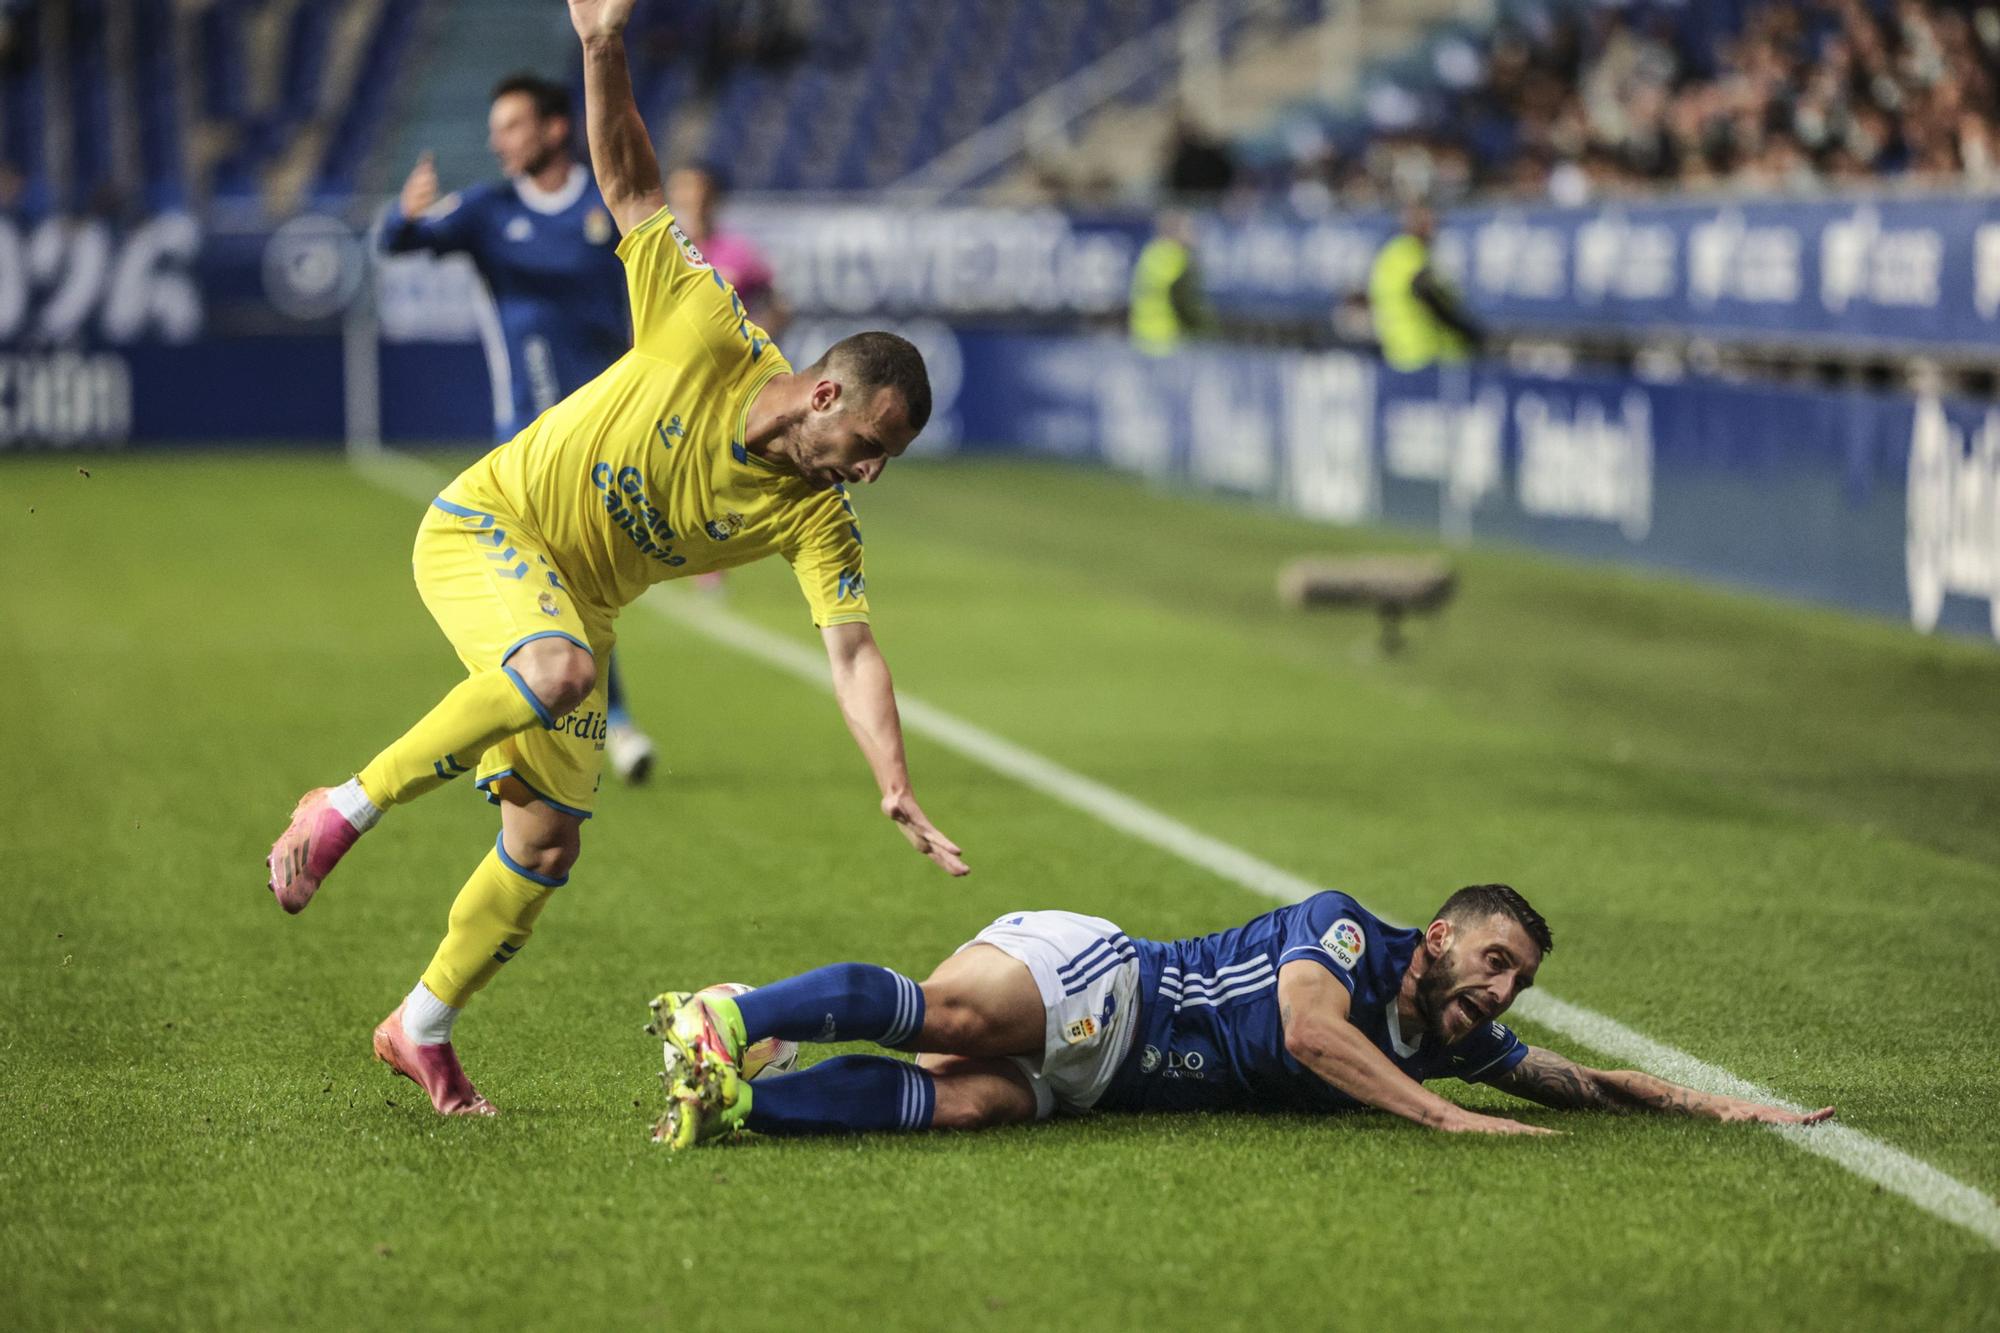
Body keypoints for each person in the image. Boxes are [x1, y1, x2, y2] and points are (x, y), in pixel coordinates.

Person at [268, 0, 968, 1118]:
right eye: (870, 447)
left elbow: (851, 653)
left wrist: (892, 779)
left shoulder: (814, 517)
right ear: (827, 394)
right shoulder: (703, 323)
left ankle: (420, 1026)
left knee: (543, 845)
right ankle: (346, 804)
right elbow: (635, 186)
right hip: (488, 525)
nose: (868, 473)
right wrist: (601, 46)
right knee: (558, 671)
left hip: (574, 602)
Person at [647, 884, 1833, 1147]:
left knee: (965, 1099)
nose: (1501, 990)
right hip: (1103, 980)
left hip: (1100, 1081)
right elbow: (1313, 1032)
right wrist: (1444, 1120)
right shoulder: (1346, 935)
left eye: (1516, 979)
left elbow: (1582, 1081)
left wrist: (1728, 1105)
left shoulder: (1461, 1034)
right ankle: (727, 1008)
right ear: (1436, 938)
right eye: (1491, 960)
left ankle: (741, 1091)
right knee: (953, 1011)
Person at [379, 71, 663, 785]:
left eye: (510, 125)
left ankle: (572, 727)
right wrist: (401, 216)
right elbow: (399, 243)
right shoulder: (486, 210)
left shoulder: (605, 208)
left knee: (589, 586)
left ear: (555, 128)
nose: (495, 140)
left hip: (609, 434)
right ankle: (606, 727)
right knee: (563, 581)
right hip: (527, 444)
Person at [1368, 203, 1484, 371]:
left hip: (1399, 352)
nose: (1434, 228)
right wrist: (1464, 330)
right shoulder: (1410, 254)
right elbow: (1426, 293)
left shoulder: (1390, 254)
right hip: (1426, 352)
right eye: (1428, 223)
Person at [1127, 209, 1207, 357]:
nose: (1194, 233)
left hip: (1142, 335)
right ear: (1175, 231)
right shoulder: (1178, 259)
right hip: (1169, 337)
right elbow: (1185, 301)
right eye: (1189, 228)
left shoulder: (1150, 253)